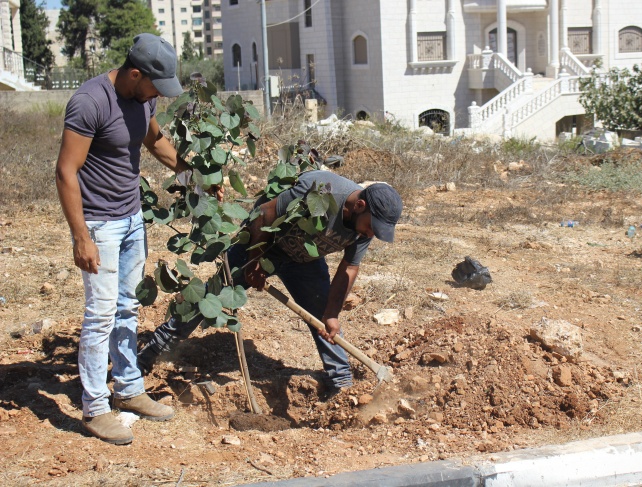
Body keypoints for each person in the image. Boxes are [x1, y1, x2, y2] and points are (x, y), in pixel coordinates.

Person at [137, 170, 403, 395]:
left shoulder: (365, 227)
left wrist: (332, 314)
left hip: (305, 261)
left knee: (323, 318)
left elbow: (349, 267)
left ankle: (341, 383)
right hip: (262, 242)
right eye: (371, 227)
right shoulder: (323, 190)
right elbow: (264, 215)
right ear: (359, 206)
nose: (371, 234)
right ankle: (153, 352)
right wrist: (254, 261)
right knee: (213, 298)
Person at [56, 33, 191, 445]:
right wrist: (81, 236)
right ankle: (95, 407)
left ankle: (129, 388)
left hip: (132, 219)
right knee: (100, 314)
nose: (159, 96)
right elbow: (66, 172)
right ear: (135, 73)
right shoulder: (90, 101)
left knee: (127, 306)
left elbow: (154, 140)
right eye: (155, 86)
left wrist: (191, 177)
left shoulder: (142, 97)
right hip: (99, 224)